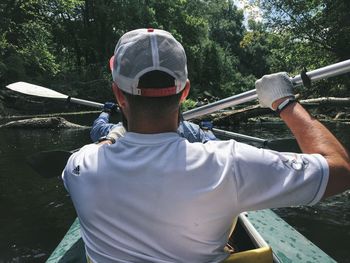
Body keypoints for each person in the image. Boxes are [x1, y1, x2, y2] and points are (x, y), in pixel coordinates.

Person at [62, 28, 350, 263]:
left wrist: (115, 134)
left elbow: (101, 148)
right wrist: (285, 102)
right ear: (185, 91)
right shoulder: (228, 163)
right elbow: (340, 169)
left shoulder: (79, 167)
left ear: (117, 94)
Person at [90, 102, 217, 143]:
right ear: (183, 94)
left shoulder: (117, 131)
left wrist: (106, 111)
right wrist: (207, 131)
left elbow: (97, 128)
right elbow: (214, 146)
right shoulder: (192, 131)